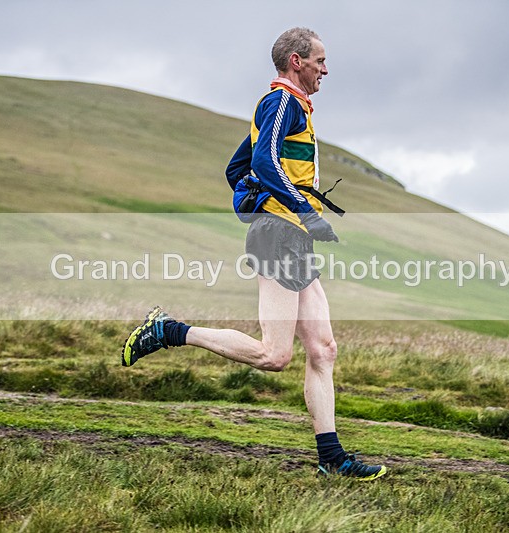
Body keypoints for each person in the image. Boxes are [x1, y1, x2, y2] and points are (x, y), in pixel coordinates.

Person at [122, 27, 386, 481]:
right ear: (297, 61)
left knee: (323, 349)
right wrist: (300, 210)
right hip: (280, 234)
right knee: (273, 355)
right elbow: (262, 163)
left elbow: (236, 169)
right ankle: (169, 331)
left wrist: (267, 204)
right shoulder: (281, 101)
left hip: (289, 233)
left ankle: (332, 459)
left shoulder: (291, 107)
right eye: (320, 61)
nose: (326, 69)